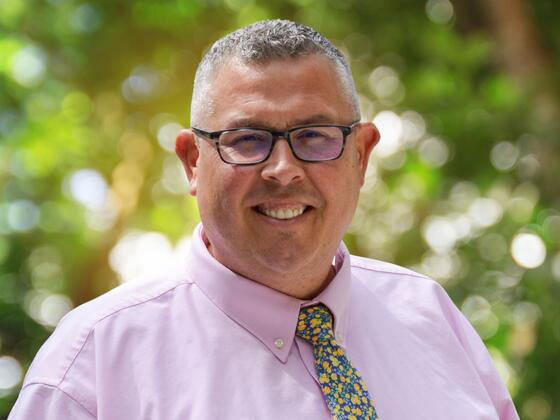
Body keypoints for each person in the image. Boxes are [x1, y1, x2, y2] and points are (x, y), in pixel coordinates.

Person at [9, 20, 519, 419]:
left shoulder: (432, 318)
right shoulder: (92, 367)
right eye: (248, 139)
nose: (282, 170)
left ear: (361, 156)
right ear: (192, 162)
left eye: (314, 136)